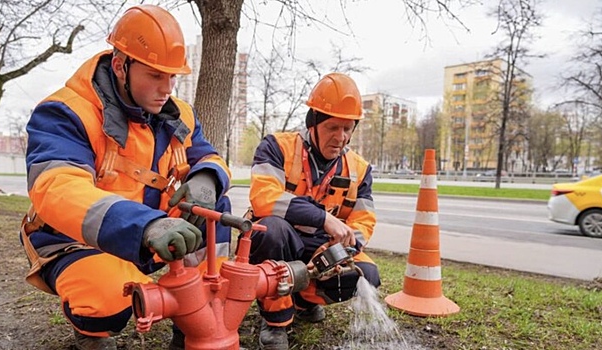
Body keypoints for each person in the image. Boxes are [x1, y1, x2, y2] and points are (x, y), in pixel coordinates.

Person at [19, 5, 232, 350]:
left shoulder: (179, 115)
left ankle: (200, 314)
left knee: (213, 209)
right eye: (155, 75)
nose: (167, 89)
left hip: (152, 234)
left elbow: (208, 156)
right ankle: (94, 331)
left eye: (172, 77)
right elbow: (57, 188)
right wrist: (144, 226)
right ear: (121, 66)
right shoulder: (65, 111)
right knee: (109, 297)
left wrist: (207, 177)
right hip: (75, 241)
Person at [246, 72, 381, 350]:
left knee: (367, 274)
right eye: (333, 127)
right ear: (313, 122)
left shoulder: (360, 169)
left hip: (322, 245)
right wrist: (323, 219)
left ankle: (304, 302)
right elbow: (264, 197)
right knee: (271, 231)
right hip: (281, 239)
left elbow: (363, 221)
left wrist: (341, 251)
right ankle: (276, 321)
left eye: (347, 128)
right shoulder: (276, 147)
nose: (340, 137)